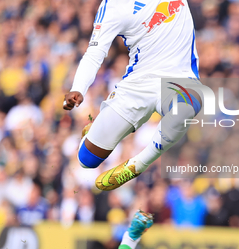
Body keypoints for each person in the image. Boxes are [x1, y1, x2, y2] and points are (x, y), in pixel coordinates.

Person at [63, 0, 202, 191]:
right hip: (137, 84)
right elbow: (95, 53)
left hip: (179, 78)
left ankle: (138, 164)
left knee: (185, 108)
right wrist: (78, 87)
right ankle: (95, 129)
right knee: (87, 160)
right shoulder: (112, 6)